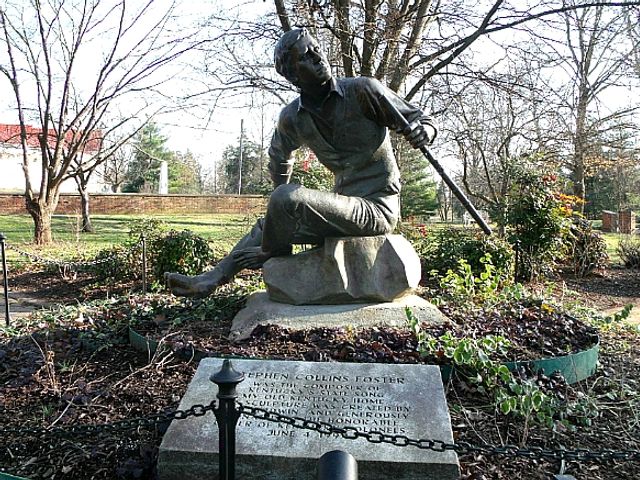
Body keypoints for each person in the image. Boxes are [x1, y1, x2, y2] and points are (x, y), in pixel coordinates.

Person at [165, 28, 436, 297]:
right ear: (294, 75)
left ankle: (271, 251)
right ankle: (213, 278)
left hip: (376, 208)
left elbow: (419, 119)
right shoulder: (293, 117)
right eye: (306, 55)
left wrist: (425, 131)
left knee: (286, 199)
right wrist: (279, 208)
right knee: (271, 221)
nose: (318, 57)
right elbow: (278, 157)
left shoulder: (363, 91)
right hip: (344, 207)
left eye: (317, 49)